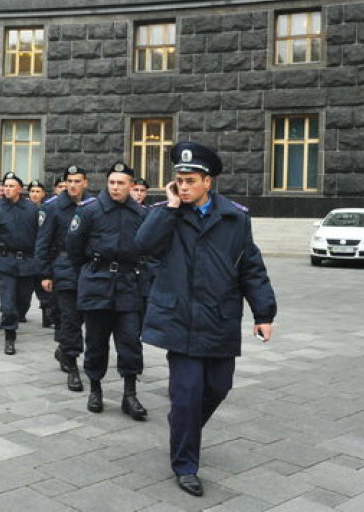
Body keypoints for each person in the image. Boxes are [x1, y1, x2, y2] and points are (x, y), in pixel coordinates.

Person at [135, 142, 277, 498]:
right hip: (179, 321)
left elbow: (251, 268)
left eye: (190, 180)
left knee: (218, 387)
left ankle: (183, 427)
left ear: (208, 182)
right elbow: (143, 245)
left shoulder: (235, 219)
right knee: (186, 395)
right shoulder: (167, 214)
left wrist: (263, 313)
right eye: (178, 180)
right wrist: (168, 207)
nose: (183, 186)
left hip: (219, 319)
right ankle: (185, 465)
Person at [66, 162, 148, 420]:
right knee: (96, 341)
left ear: (131, 186)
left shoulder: (141, 213)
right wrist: (91, 271)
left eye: (121, 183)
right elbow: (73, 247)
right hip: (97, 283)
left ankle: (129, 394)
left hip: (128, 285)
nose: (115, 187)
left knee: (130, 341)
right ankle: (96, 389)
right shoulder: (90, 211)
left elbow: (150, 248)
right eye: (112, 182)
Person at [36, 164, 92, 392]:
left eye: (77, 181)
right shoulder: (54, 208)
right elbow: (43, 242)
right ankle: (72, 364)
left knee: (84, 316)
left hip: (89, 269)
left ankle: (64, 349)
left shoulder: (94, 206)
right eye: (69, 181)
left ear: (85, 182)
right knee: (69, 317)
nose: (73, 185)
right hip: (64, 267)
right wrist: (45, 273)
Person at [0, 172, 40, 355]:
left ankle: (16, 319)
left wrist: (41, 263)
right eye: (5, 186)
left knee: (23, 301)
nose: (7, 189)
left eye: (11, 186)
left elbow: (41, 237)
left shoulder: (32, 209)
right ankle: (9, 336)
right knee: (8, 303)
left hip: (27, 262)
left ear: (19, 189)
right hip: (4, 262)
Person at [27, 179, 55, 328]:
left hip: (42, 253)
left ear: (43, 194)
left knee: (43, 286)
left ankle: (47, 314)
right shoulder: (23, 209)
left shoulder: (47, 209)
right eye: (32, 191)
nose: (35, 194)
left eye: (38, 191)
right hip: (27, 253)